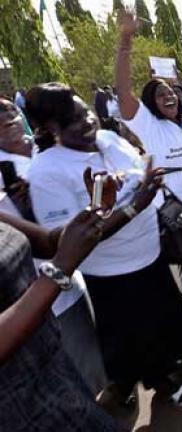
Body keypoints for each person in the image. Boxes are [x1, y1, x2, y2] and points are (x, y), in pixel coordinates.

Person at [26, 83, 182, 408]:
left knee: (169, 313)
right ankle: (162, 381)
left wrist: (148, 176)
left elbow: (138, 167)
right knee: (141, 333)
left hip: (150, 253)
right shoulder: (46, 171)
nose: (90, 122)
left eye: (88, 113)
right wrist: (134, 203)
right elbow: (70, 240)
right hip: (114, 274)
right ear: (53, 128)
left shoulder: (107, 138)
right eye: (77, 121)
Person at [0, 96, 108, 396]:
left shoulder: (46, 151)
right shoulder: (6, 172)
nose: (8, 117)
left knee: (93, 356)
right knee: (75, 376)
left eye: (10, 109)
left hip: (73, 277)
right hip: (34, 293)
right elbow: (47, 244)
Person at [0, 209, 118, 431]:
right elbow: (60, 259)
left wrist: (93, 212)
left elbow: (47, 242)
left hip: (54, 366)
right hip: (16, 406)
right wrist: (59, 268)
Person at [115, 11, 182, 207]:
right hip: (171, 211)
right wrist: (126, 41)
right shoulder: (149, 125)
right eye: (161, 95)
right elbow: (124, 93)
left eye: (171, 92)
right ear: (151, 103)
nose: (169, 97)